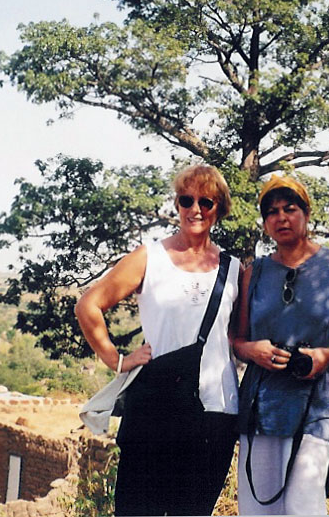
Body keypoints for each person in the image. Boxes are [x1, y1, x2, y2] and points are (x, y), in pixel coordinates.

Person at [75, 164, 241, 516]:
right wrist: (117, 360)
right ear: (177, 204)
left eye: (206, 202)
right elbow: (88, 305)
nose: (195, 209)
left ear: (219, 208)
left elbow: (239, 338)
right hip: (156, 408)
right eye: (186, 200)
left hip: (215, 412)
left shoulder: (234, 269)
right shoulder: (149, 258)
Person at [233, 175, 329, 515]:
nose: (281, 218)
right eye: (272, 212)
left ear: (306, 213)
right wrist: (252, 350)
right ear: (265, 223)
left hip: (319, 405)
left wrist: (328, 354)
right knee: (258, 509)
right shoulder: (254, 273)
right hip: (261, 408)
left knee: (304, 504)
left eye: (290, 208)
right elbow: (237, 340)